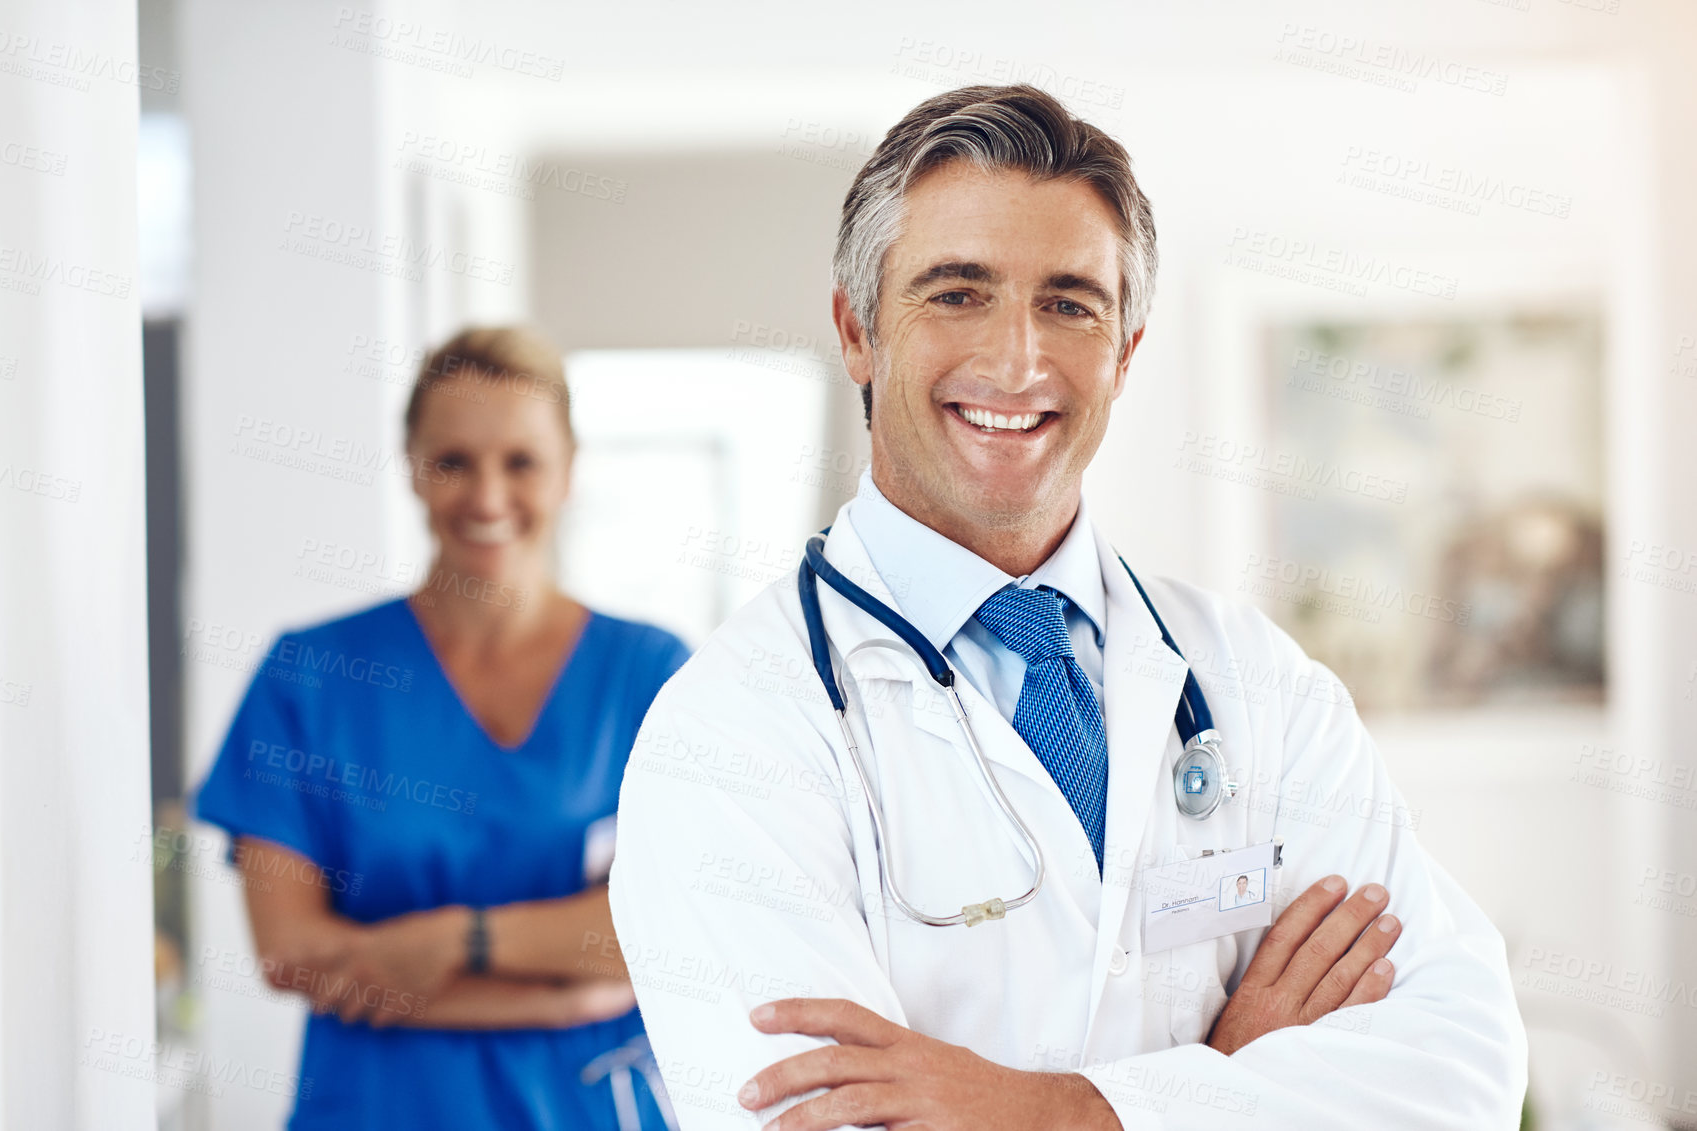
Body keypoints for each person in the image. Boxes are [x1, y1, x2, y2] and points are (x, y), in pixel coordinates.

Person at [608, 86, 1527, 1129]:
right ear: (856, 331)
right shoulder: (732, 731)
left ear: (1125, 351)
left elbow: (1462, 1074)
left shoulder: (1253, 682)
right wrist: (1229, 1079)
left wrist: (1069, 1112)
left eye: (1068, 303)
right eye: (956, 294)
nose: (1017, 361)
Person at [194, 326, 689, 1130]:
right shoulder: (312, 674)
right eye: (453, 461)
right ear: (413, 469)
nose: (487, 498)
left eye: (520, 462)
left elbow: (668, 937)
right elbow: (289, 947)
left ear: (568, 471)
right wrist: (564, 991)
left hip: (588, 1105)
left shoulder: (647, 672)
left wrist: (456, 940)